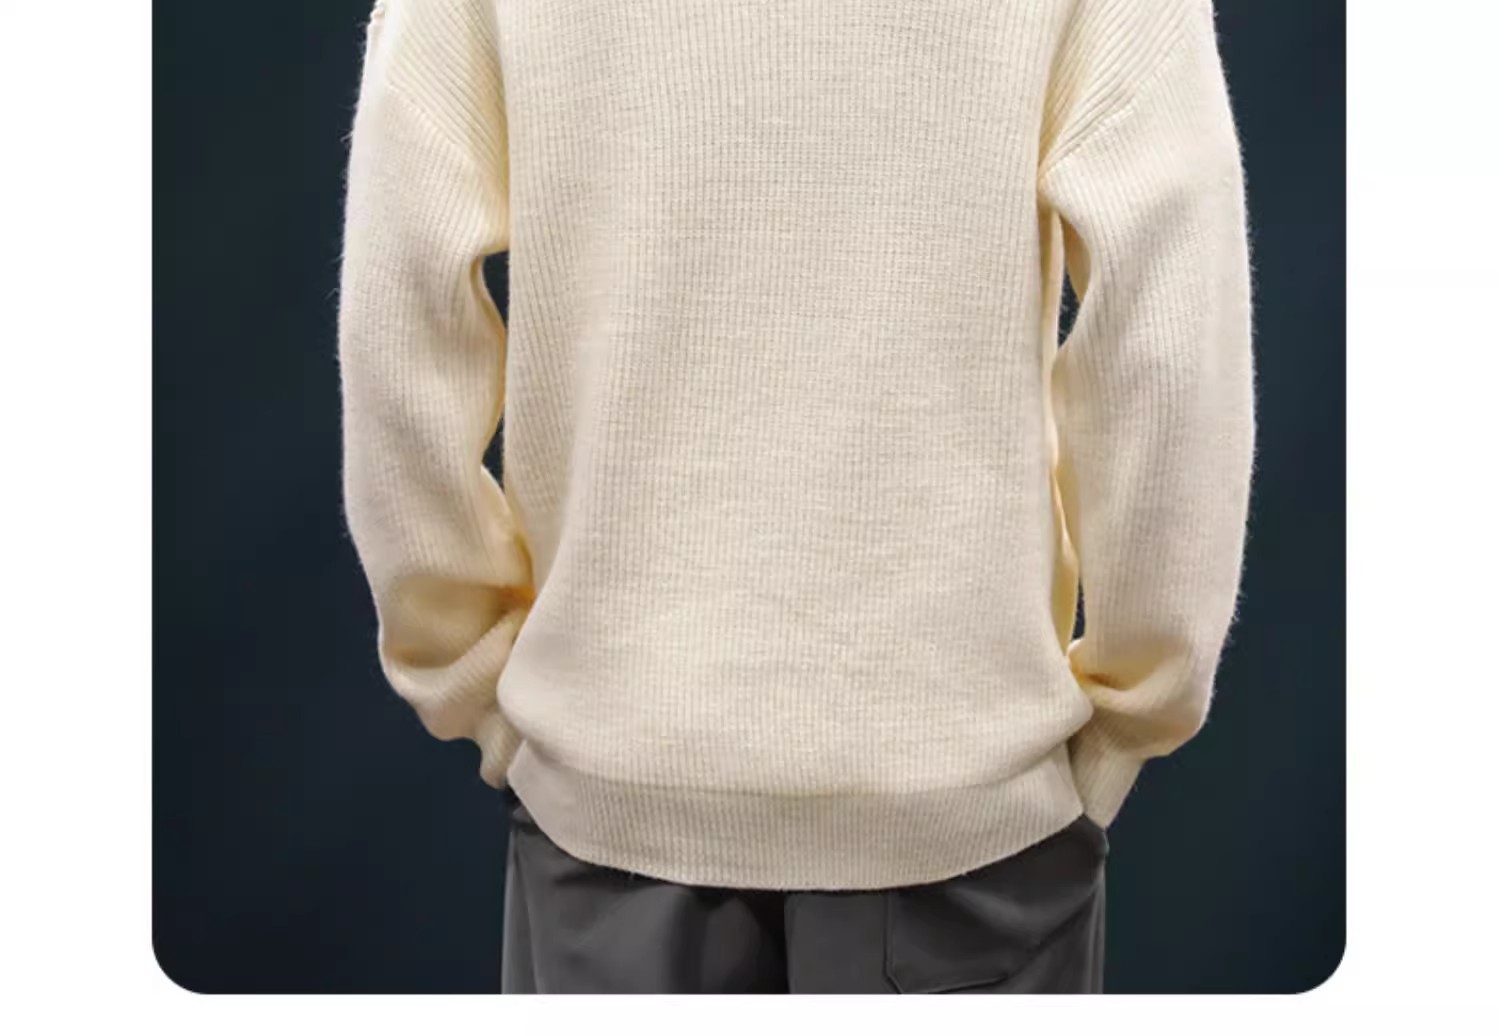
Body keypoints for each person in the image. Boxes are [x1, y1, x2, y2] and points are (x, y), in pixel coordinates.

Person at [337, 0, 1255, 994]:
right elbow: (1166, 343)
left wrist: (469, 667)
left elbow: (401, 315)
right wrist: (1134, 708)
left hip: (611, 791)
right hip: (962, 807)